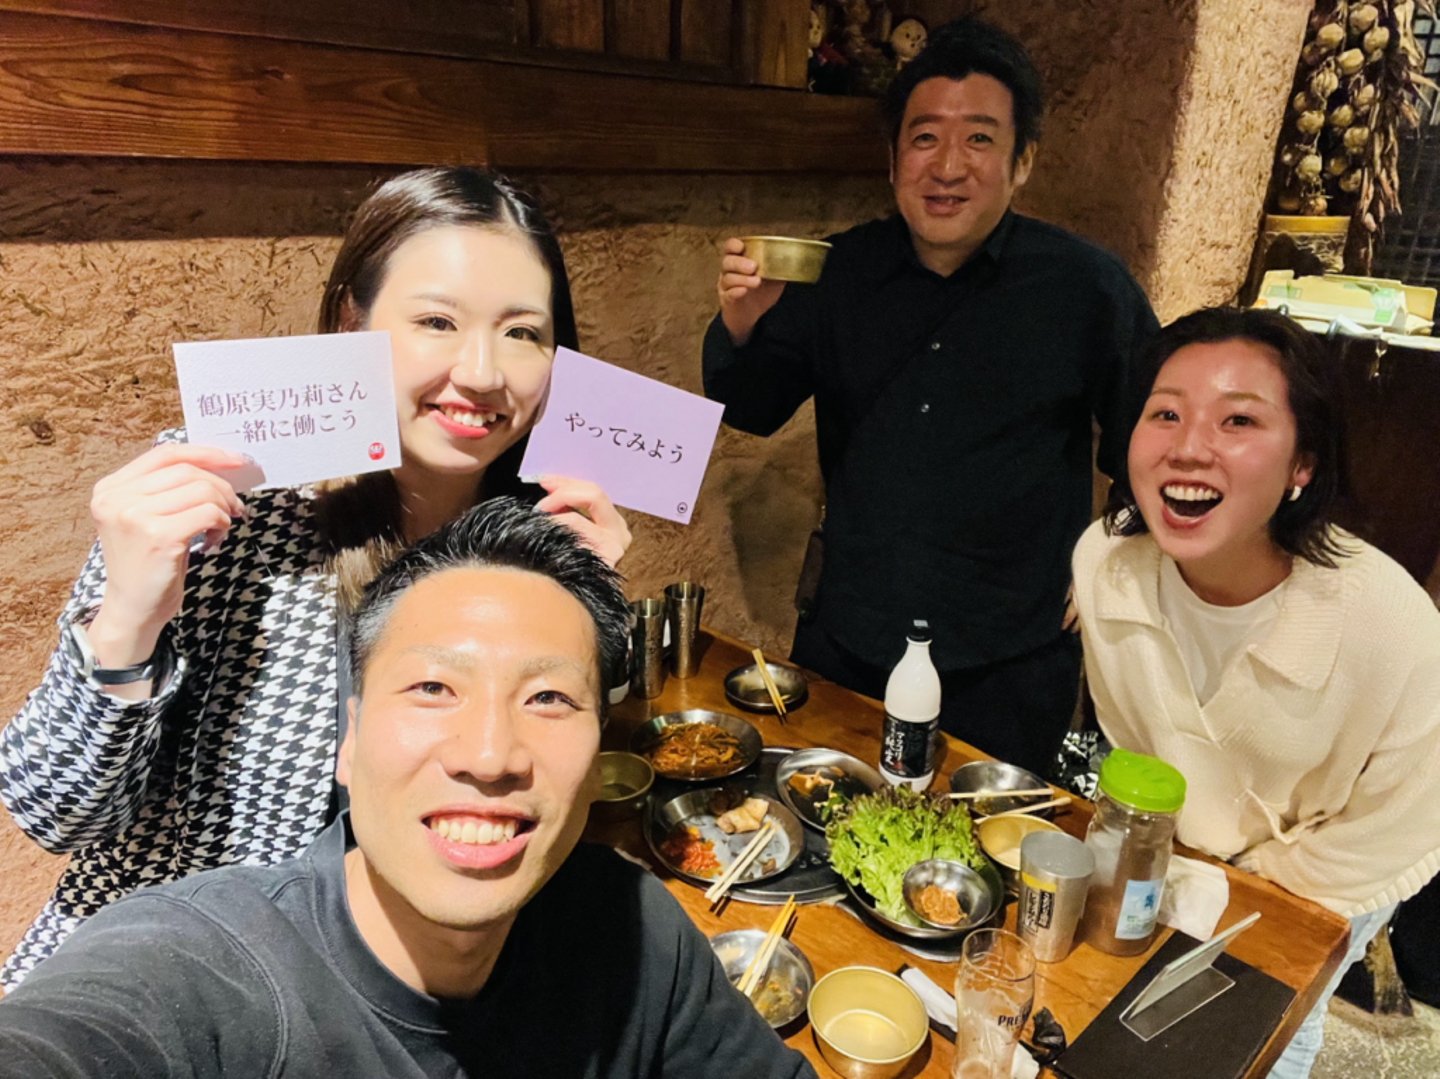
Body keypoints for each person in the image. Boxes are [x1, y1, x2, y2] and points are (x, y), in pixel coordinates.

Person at [0, 168, 632, 988]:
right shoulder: (230, 499)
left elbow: (527, 787)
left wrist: (588, 621)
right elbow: (55, 812)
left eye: (522, 332)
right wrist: (126, 619)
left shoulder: (531, 535)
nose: (482, 372)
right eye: (437, 321)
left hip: (391, 984)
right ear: (350, 323)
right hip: (170, 969)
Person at [0, 498, 814, 1078]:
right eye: (432, 687)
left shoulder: (633, 930)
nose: (489, 755)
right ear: (349, 738)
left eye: (548, 697)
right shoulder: (203, 973)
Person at [702, 17, 1157, 775]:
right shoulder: (840, 269)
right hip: (852, 638)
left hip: (1009, 658)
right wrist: (741, 322)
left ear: (1022, 161)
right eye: (924, 138)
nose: (948, 165)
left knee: (991, 845)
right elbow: (753, 406)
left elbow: (1152, 429)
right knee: (828, 821)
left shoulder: (1086, 287)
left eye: (979, 138)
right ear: (892, 160)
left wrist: (1119, 546)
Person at [1071, 307, 1440, 1079]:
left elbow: (1398, 823)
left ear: (1302, 462)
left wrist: (1256, 885)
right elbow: (1132, 730)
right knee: (1136, 1023)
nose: (1188, 446)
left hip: (1331, 872)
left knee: (1266, 1031)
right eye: (1165, 413)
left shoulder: (1390, 624)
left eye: (1238, 419)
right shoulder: (1106, 565)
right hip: (1186, 843)